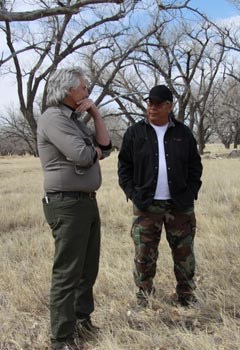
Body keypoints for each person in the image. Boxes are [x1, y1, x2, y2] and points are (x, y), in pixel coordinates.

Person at [37, 67, 112, 350]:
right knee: (68, 272)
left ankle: (82, 322)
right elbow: (83, 156)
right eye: (83, 86)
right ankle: (61, 338)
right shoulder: (53, 118)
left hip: (85, 202)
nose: (87, 90)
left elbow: (105, 146)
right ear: (69, 90)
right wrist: (93, 152)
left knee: (87, 269)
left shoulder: (75, 120)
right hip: (66, 204)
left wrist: (96, 114)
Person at [118, 84, 202, 308]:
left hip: (179, 205)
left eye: (157, 104)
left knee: (184, 254)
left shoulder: (182, 133)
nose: (152, 108)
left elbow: (195, 165)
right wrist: (132, 193)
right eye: (149, 103)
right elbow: (124, 166)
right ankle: (144, 298)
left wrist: (192, 191)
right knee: (144, 254)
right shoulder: (135, 133)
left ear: (169, 107)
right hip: (146, 205)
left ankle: (186, 297)